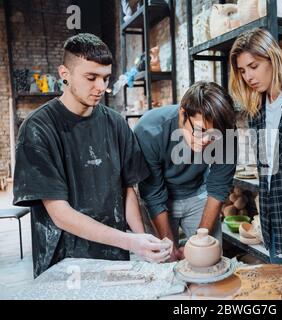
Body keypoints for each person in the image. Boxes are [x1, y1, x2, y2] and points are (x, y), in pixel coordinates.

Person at [13, 33, 170, 278]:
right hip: (64, 261)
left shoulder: (115, 123)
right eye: (91, 77)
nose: (101, 87)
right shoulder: (37, 128)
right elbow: (60, 214)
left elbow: (128, 189)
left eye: (105, 78)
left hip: (114, 253)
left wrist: (141, 241)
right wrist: (130, 242)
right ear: (65, 73)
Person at [229, 28, 282, 263]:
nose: (248, 77)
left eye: (253, 66)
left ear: (272, 58)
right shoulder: (256, 111)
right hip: (271, 224)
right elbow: (267, 173)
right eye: (242, 71)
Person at [134, 81, 237, 261]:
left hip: (198, 192)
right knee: (164, 260)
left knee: (208, 257)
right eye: (200, 130)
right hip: (160, 198)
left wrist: (200, 239)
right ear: (183, 114)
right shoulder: (149, 130)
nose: (206, 140)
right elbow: (153, 194)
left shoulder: (226, 130)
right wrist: (170, 246)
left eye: (213, 135)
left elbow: (219, 186)